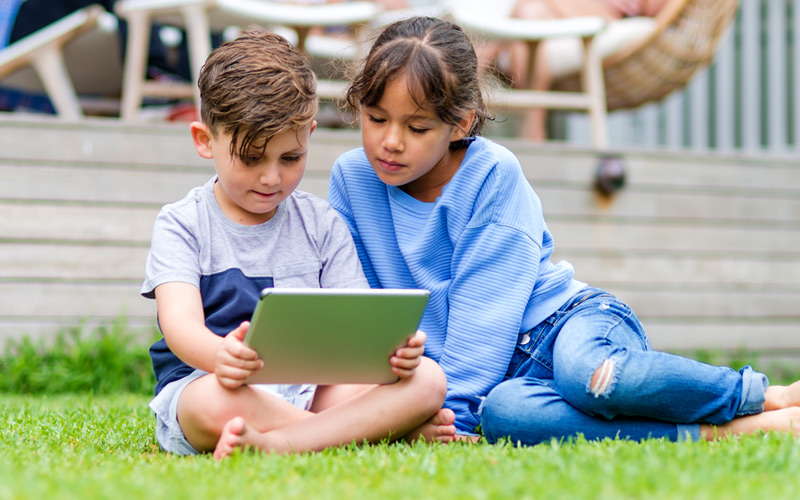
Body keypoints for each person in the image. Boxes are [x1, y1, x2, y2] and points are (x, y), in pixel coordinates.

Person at [327, 15, 800, 445]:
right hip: (507, 383)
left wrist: (451, 418)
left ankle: (761, 397)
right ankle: (720, 433)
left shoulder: (491, 174)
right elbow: (359, 306)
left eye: (417, 127)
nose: (390, 141)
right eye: (376, 119)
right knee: (509, 418)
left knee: (589, 375)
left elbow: (483, 320)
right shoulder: (351, 180)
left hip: (566, 325)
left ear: (460, 124)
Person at [141, 27, 453, 459]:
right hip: (218, 386)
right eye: (251, 159)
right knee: (214, 402)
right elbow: (180, 327)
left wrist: (393, 351)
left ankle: (281, 443)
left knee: (428, 379)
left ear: (308, 134)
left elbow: (358, 323)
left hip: (310, 390)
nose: (272, 178)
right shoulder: (183, 223)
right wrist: (221, 355)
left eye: (291, 158)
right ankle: (371, 431)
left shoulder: (322, 224)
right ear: (204, 140)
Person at [475, 0, 670, 141]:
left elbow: (658, 8)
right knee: (531, 11)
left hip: (608, 15)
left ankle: (462, 99)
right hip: (551, 14)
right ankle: (533, 129)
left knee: (526, 9)